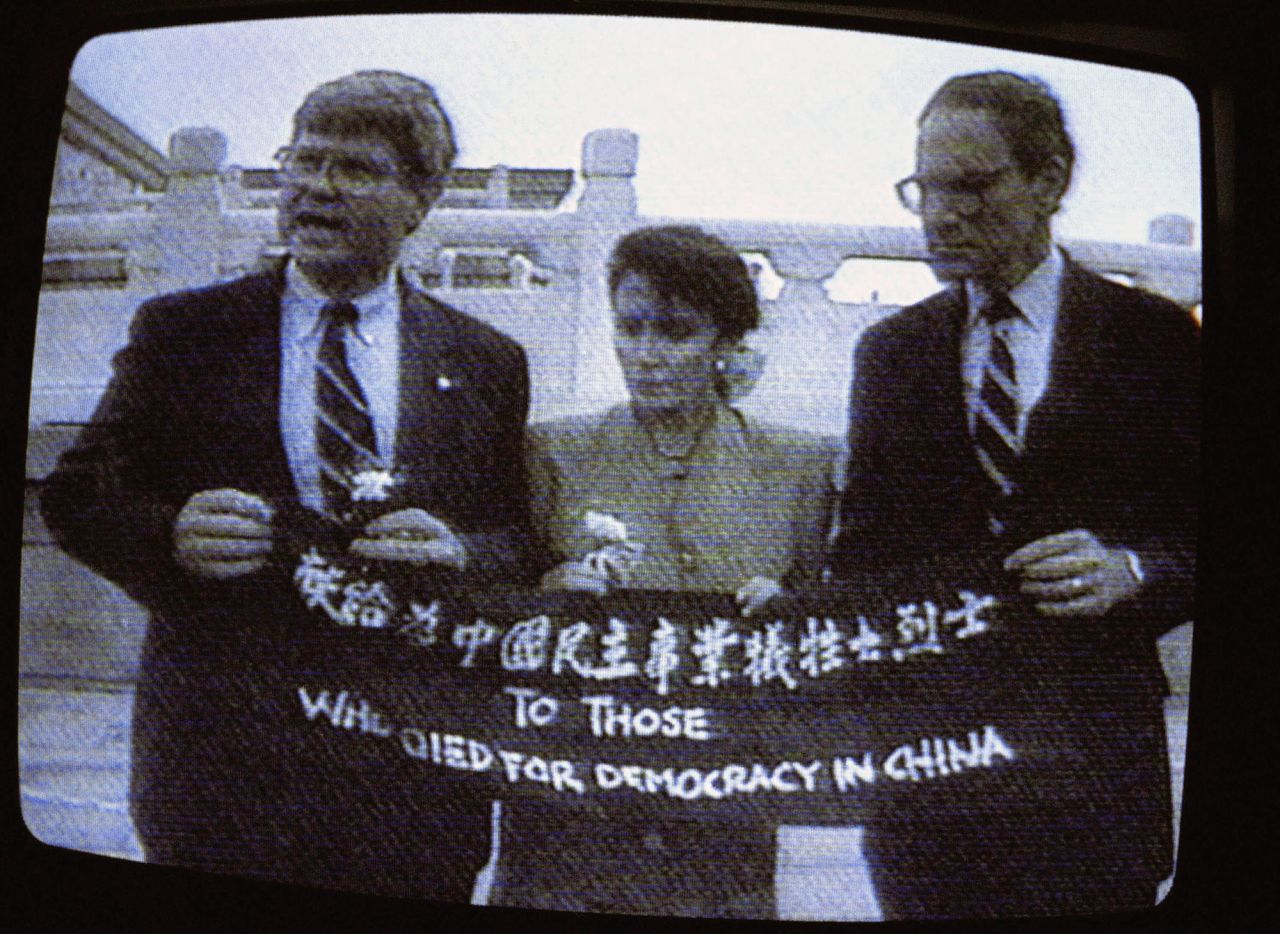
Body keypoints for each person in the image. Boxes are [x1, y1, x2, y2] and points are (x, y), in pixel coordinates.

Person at [39, 71, 531, 900]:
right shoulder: (186, 332)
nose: (317, 190)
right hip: (223, 768)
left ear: (421, 199)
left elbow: (517, 537)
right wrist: (169, 535)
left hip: (407, 778)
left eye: (357, 169)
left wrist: (460, 552)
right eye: (304, 162)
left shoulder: (485, 361)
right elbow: (75, 496)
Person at [827, 71, 1200, 918]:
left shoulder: (1154, 338)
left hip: (1094, 782)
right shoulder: (891, 353)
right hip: (933, 788)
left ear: (1050, 180)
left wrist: (1135, 573)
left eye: (971, 185)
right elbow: (864, 557)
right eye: (925, 188)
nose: (940, 214)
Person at [492, 225, 839, 918]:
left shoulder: (800, 466)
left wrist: (789, 613)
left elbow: (826, 631)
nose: (646, 355)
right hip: (572, 813)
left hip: (721, 815)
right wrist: (548, 595)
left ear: (725, 343)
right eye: (631, 328)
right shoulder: (554, 452)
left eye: (676, 332)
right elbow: (490, 616)